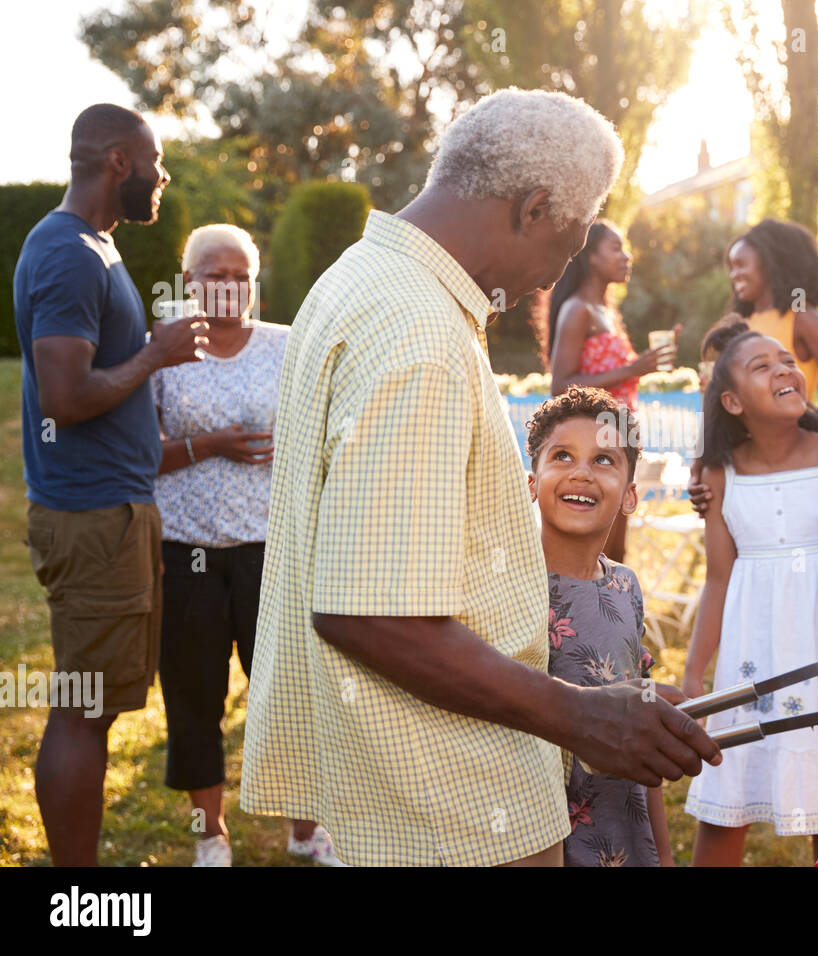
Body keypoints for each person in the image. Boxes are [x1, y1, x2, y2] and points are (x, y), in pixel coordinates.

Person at [239, 88, 720, 868]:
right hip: (450, 800)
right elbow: (369, 614)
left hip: (416, 779)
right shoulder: (419, 334)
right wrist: (582, 718)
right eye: (564, 251)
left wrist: (602, 698)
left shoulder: (357, 279)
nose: (546, 281)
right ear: (534, 208)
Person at [14, 103, 209, 866]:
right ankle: (78, 894)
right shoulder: (68, 251)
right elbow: (66, 396)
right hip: (94, 518)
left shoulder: (92, 246)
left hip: (114, 515)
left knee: (91, 706)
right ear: (118, 162)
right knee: (82, 710)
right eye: (155, 162)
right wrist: (155, 356)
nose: (164, 177)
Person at [150, 224, 339, 866]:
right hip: (188, 553)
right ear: (189, 281)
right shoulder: (163, 351)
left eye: (240, 276)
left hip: (272, 552)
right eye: (213, 274)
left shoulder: (289, 346)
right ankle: (211, 835)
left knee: (288, 694)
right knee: (195, 696)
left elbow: (325, 430)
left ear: (253, 285)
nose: (228, 286)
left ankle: (307, 830)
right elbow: (136, 455)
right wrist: (211, 445)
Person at [682, 324, 818, 866]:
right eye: (762, 366)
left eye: (787, 360)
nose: (784, 370)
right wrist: (692, 674)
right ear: (731, 402)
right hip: (754, 657)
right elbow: (718, 579)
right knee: (728, 795)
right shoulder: (718, 475)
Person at [524, 386, 673, 867]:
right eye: (562, 456)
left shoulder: (625, 587)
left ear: (630, 495)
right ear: (532, 482)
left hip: (622, 834)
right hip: (537, 839)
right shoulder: (512, 590)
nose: (582, 472)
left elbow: (640, 728)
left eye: (604, 460)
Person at [545, 219, 677, 562]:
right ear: (591, 257)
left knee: (617, 549)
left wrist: (643, 366)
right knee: (596, 551)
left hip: (620, 439)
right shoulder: (578, 311)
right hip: (595, 443)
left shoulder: (607, 313)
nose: (627, 256)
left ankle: (614, 612)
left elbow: (615, 377)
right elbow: (560, 384)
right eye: (616, 248)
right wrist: (633, 369)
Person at [726, 219, 818, 396]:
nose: (733, 275)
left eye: (741, 265)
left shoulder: (802, 318)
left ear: (770, 264)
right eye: (731, 267)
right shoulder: (743, 322)